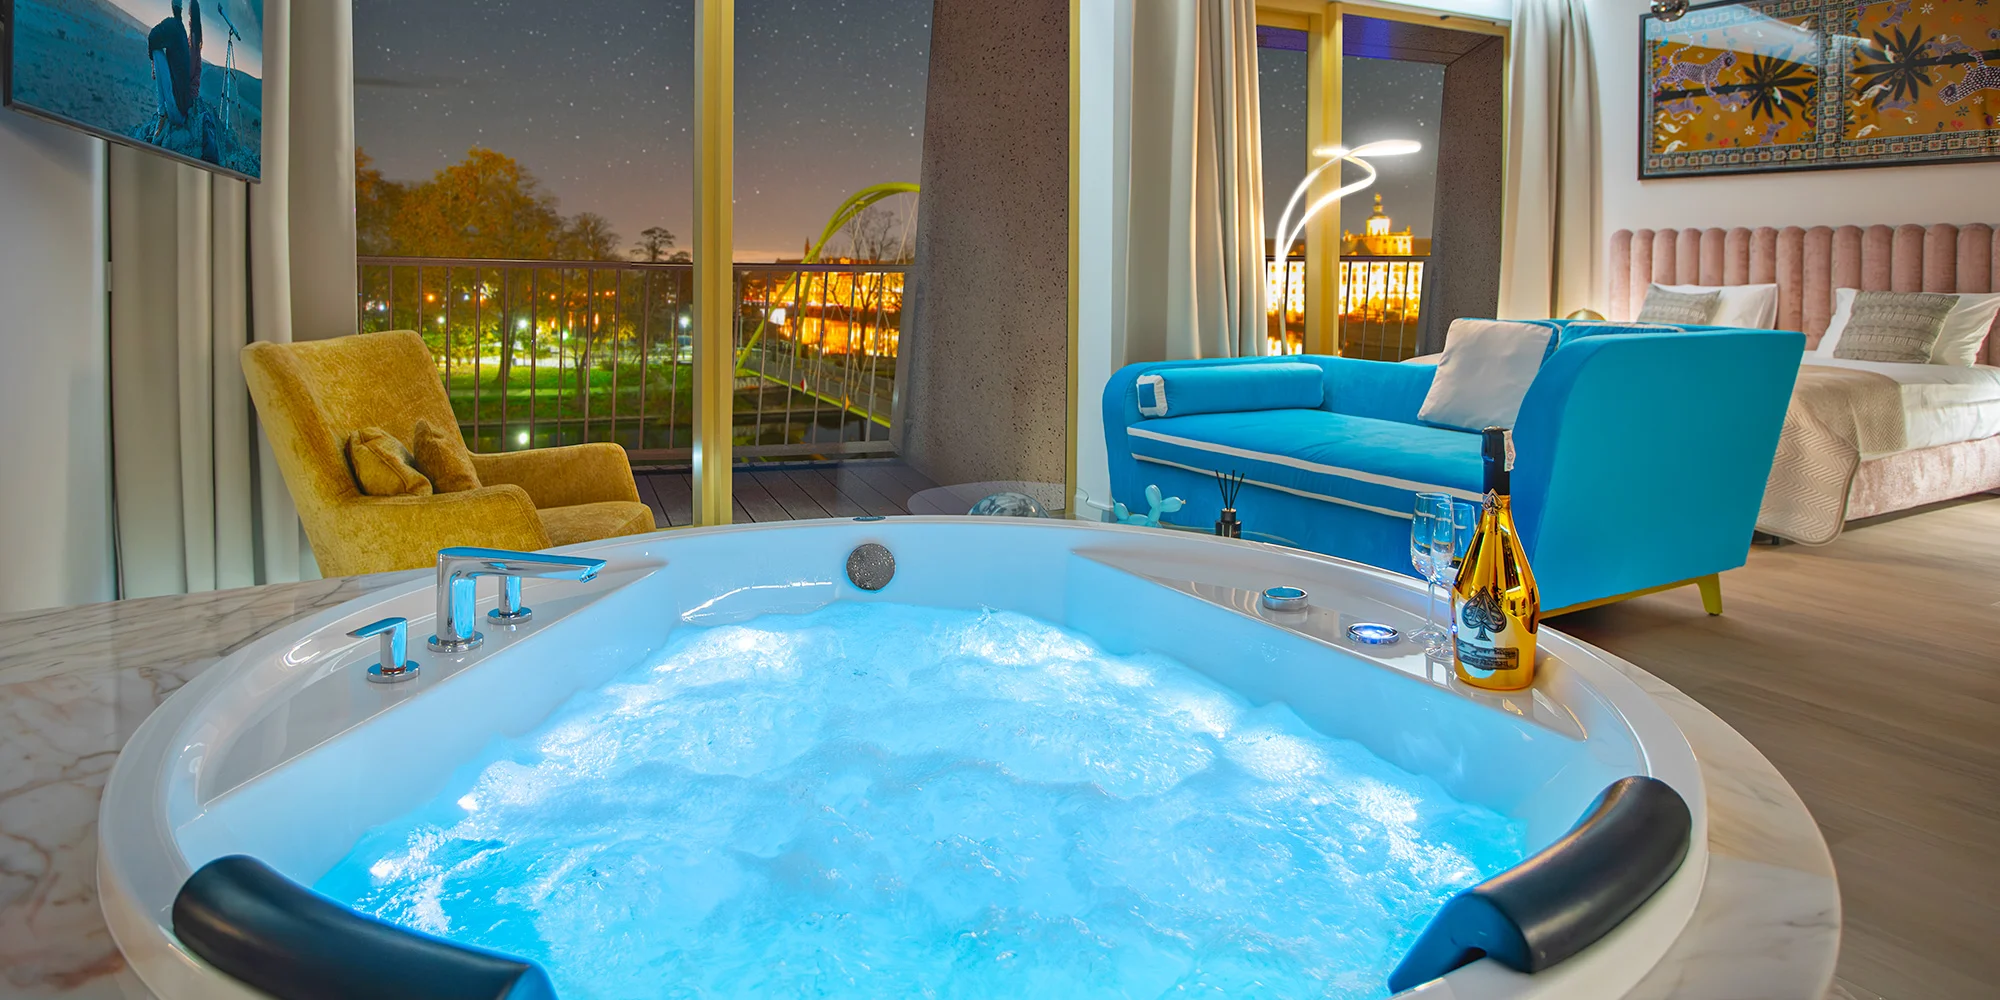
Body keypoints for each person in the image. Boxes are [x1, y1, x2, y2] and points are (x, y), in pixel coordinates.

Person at [147, 1, 192, 138]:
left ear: (172, 5)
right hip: (183, 112)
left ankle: (162, 114)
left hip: (175, 112)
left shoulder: (172, 24)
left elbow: (152, 37)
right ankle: (163, 113)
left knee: (156, 51)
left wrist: (153, 65)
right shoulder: (182, 30)